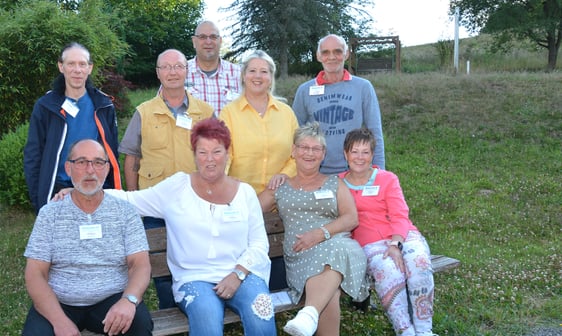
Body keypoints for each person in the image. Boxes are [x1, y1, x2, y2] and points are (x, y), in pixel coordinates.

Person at [103, 119, 275, 335]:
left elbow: (259, 243)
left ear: (228, 153)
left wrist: (238, 274)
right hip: (194, 277)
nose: (210, 160)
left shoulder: (245, 193)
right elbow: (131, 200)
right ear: (194, 155)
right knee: (207, 320)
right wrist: (81, 192)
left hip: (243, 274)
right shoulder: (177, 188)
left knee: (262, 313)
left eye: (216, 151)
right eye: (202, 152)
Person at [22, 139, 152, 336]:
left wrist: (129, 300)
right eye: (81, 162)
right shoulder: (50, 214)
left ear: (107, 169)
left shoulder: (125, 212)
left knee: (140, 324)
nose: (90, 170)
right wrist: (59, 321)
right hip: (60, 302)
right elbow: (34, 274)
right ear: (68, 168)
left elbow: (140, 265)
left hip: (111, 299)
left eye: (98, 162)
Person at [119, 48, 213, 309]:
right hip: (154, 206)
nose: (172, 72)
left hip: (195, 202)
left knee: (197, 257)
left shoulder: (204, 112)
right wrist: (134, 202)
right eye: (166, 67)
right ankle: (168, 309)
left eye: (178, 66)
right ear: (158, 72)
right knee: (160, 262)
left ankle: (197, 304)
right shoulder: (144, 112)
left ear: (187, 70)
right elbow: (131, 159)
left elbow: (218, 157)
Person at [260, 122, 369, 336]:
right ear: (293, 151)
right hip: (302, 256)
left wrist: (320, 234)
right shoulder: (281, 187)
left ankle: (309, 313)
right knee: (331, 292)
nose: (309, 153)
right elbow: (250, 211)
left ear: (323, 154)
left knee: (336, 248)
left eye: (316, 148)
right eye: (303, 147)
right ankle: (308, 316)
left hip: (340, 248)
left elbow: (351, 218)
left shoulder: (334, 183)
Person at [339, 128, 435, 336]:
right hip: (369, 242)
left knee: (418, 264)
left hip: (402, 235)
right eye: (355, 151)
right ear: (345, 154)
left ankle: (424, 330)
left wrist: (395, 244)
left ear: (372, 155)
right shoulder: (337, 184)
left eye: (365, 152)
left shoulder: (387, 179)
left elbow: (400, 214)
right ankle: (405, 331)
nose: (360, 157)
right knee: (389, 272)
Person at [24, 42, 121, 214]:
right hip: (58, 191)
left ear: (90, 68)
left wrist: (112, 189)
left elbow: (112, 152)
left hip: (97, 188)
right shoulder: (46, 106)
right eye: (71, 64)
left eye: (82, 64)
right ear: (61, 67)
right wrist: (39, 197)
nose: (77, 70)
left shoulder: (104, 105)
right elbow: (33, 155)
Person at [291, 34, 385, 174]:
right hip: (315, 173)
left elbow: (375, 133)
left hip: (354, 172)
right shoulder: (305, 91)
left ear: (346, 54)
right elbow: (294, 135)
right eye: (325, 52)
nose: (332, 57)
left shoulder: (363, 87)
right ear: (318, 56)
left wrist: (380, 172)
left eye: (337, 51)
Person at [219, 50, 298, 204]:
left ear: (270, 77)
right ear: (243, 75)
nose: (257, 76)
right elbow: (224, 155)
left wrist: (286, 174)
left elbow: (299, 153)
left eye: (264, 71)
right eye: (252, 71)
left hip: (281, 200)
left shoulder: (287, 113)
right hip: (239, 200)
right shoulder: (228, 113)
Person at [187, 20, 241, 116]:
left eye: (213, 37)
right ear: (194, 41)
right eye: (202, 37)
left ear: (220, 41)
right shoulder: (178, 73)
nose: (208, 42)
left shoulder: (239, 75)